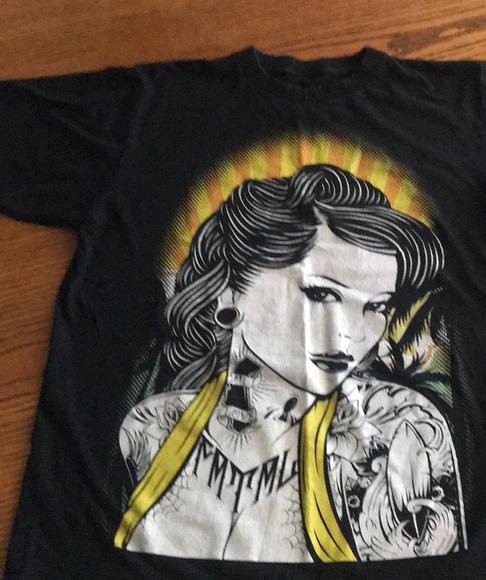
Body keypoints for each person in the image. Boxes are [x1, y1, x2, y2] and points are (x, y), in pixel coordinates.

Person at [113, 164, 466, 562]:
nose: (352, 334)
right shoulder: (150, 427)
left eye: (376, 306)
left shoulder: (400, 428)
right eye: (321, 295)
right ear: (230, 295)